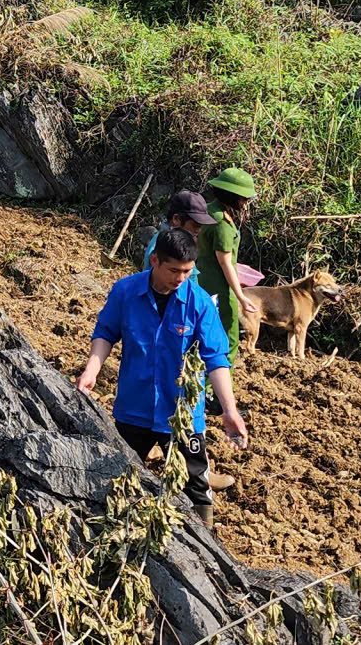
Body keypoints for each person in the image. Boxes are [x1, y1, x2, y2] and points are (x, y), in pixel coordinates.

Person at [80, 228, 250, 513]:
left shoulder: (200, 303)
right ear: (155, 260)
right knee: (118, 478)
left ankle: (204, 545)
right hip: (134, 407)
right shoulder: (126, 291)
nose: (180, 279)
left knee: (196, 486)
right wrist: (91, 370)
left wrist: (229, 410)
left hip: (181, 414)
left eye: (187, 271)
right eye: (174, 270)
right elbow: (106, 333)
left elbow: (216, 359)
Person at [199, 169, 260, 366]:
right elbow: (225, 262)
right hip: (221, 287)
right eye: (242, 199)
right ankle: (216, 391)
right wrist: (241, 296)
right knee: (228, 338)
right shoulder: (222, 224)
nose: (245, 203)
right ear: (231, 196)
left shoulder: (207, 210)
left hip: (202, 280)